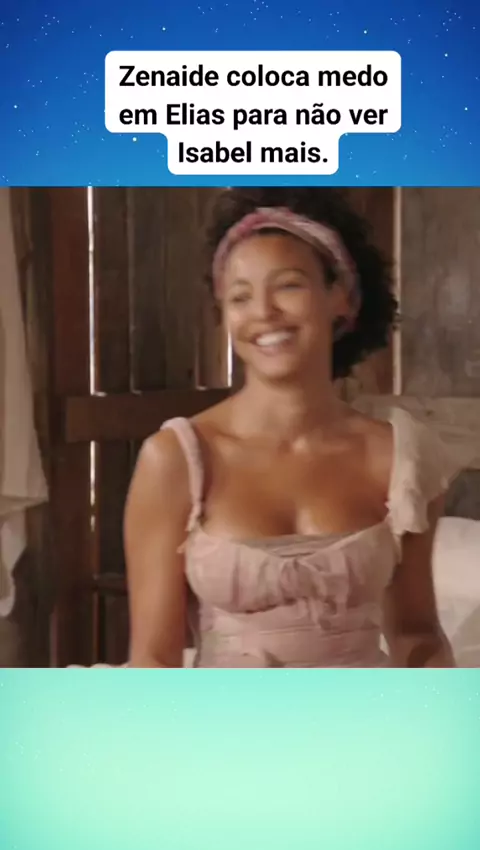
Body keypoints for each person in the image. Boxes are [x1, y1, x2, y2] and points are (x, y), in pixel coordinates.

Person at [124, 187, 459, 668]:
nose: (263, 313)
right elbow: (154, 660)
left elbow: (416, 634)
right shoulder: (178, 458)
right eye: (240, 296)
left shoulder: (399, 458)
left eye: (288, 286)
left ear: (341, 297)